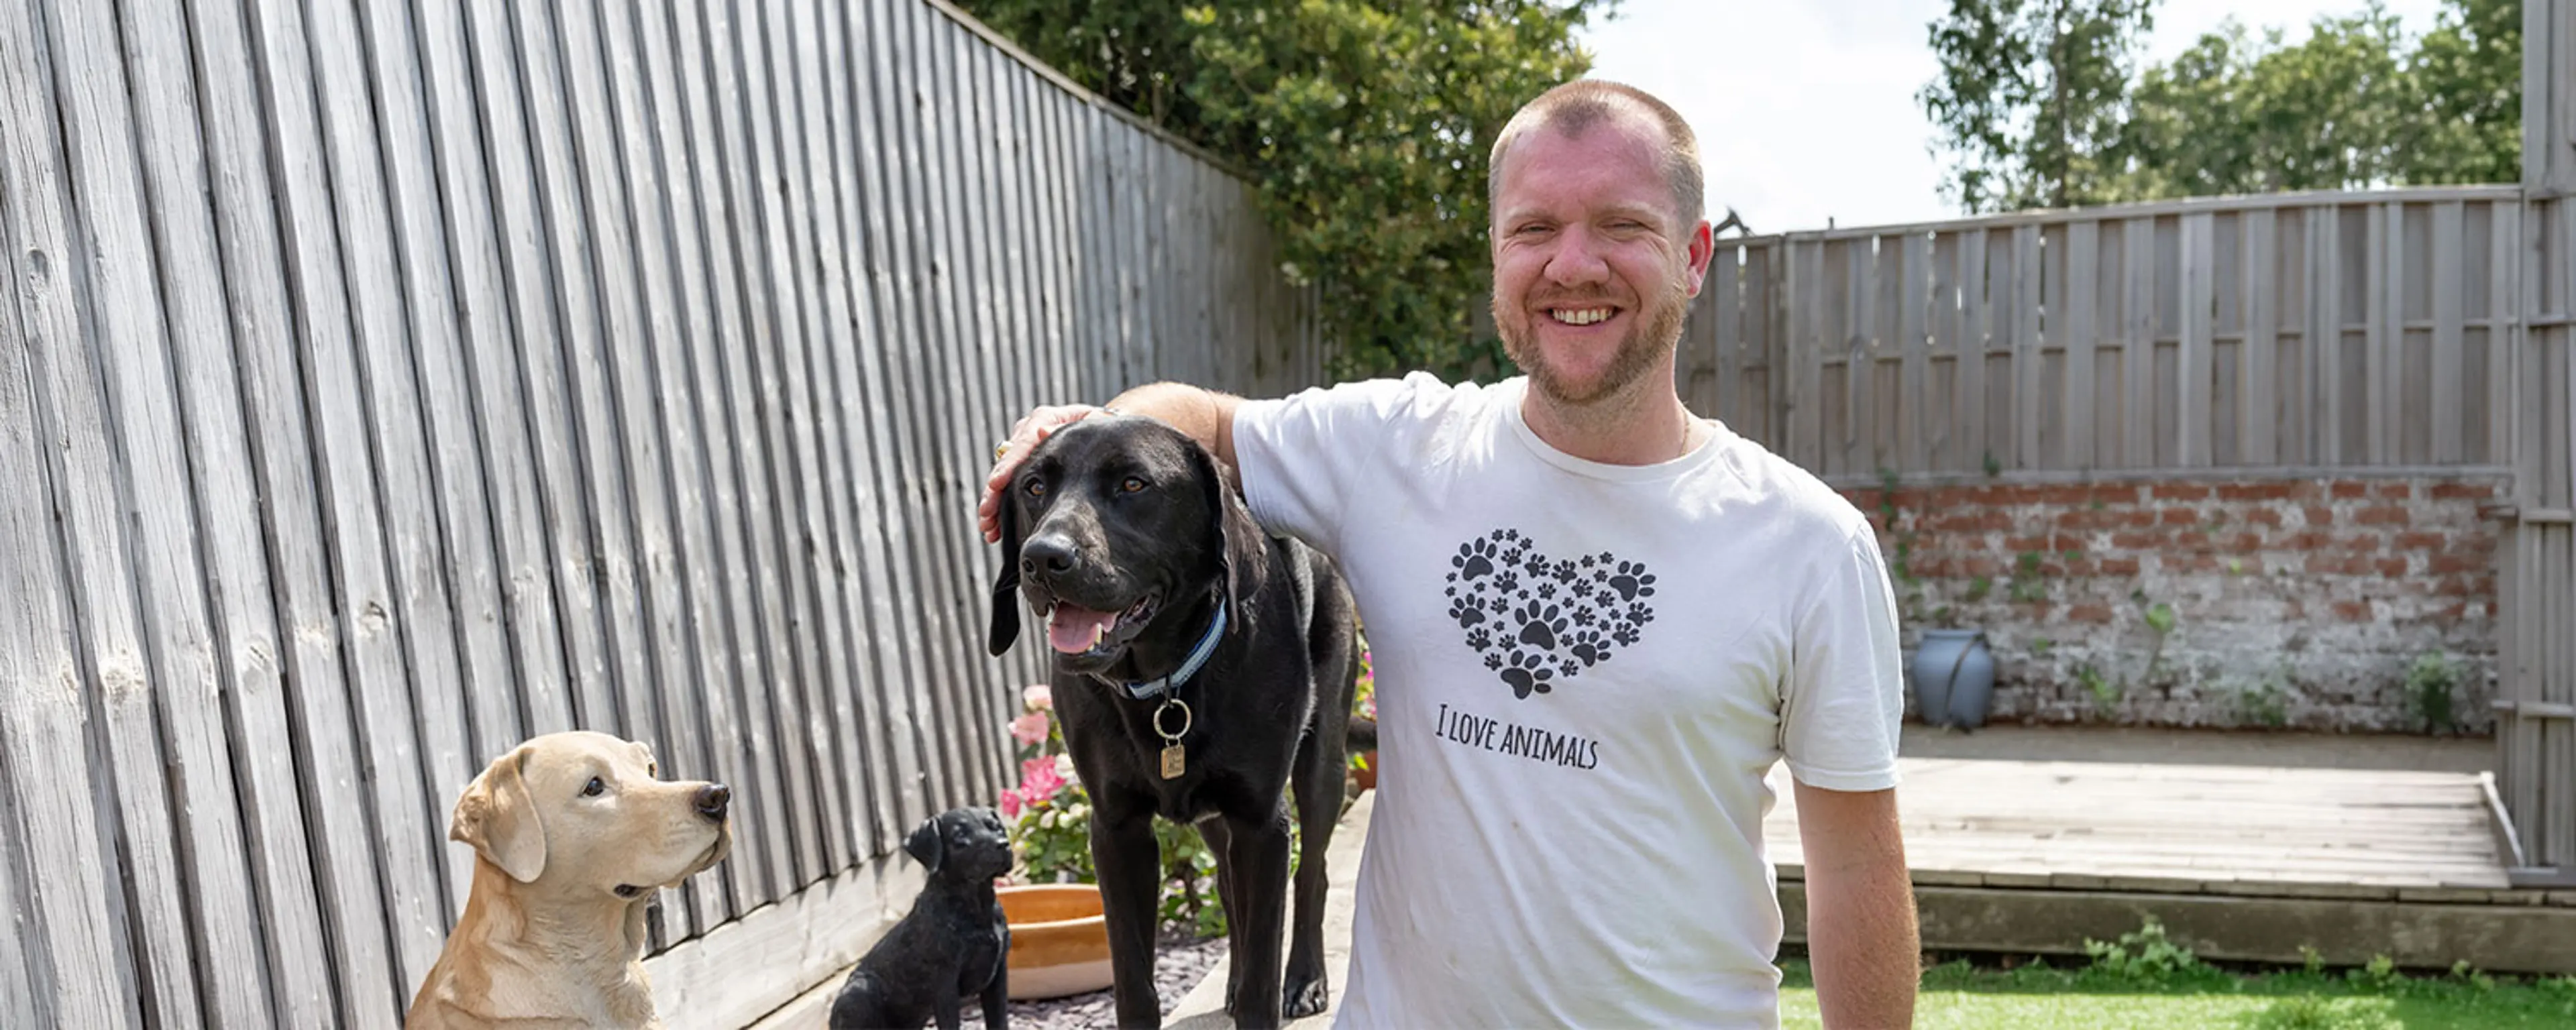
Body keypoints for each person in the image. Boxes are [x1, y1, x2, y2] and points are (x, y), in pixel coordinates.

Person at [979, 78, 1918, 1029]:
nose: (1573, 264)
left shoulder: (1810, 546)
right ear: (1497, 254)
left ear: (1695, 255)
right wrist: (1087, 433)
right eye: (1534, 229)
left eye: (1622, 225)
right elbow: (1205, 423)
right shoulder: (1395, 448)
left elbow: (1855, 868)